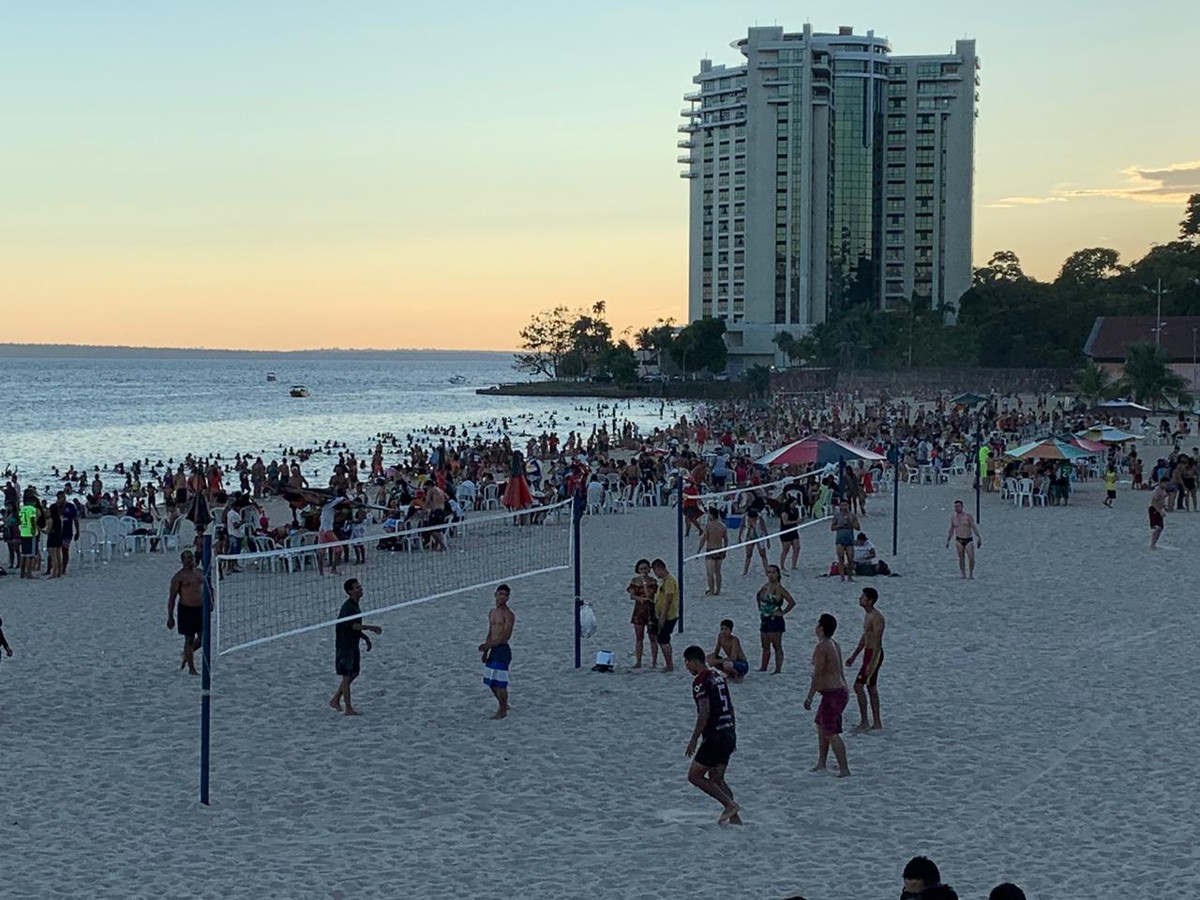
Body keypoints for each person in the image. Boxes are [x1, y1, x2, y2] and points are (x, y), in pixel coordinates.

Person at [682, 645, 741, 825]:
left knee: (695, 776)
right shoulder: (718, 677)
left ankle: (729, 805)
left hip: (715, 735)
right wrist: (732, 730)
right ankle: (735, 818)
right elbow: (730, 707)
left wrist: (693, 739)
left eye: (687, 663)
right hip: (728, 732)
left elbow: (704, 712)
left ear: (693, 661)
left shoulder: (701, 681)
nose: (686, 667)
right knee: (717, 778)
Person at [803, 613, 850, 777]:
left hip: (833, 694)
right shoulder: (833, 643)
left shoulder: (822, 647)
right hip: (838, 691)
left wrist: (809, 696)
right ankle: (822, 762)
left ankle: (844, 769)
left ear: (821, 628)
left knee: (831, 731)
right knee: (821, 725)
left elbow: (818, 674)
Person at [329, 578, 382, 716]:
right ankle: (348, 708)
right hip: (345, 646)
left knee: (354, 673)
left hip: (352, 643)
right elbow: (353, 626)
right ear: (350, 591)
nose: (360, 589)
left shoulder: (354, 605)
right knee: (346, 676)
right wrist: (371, 628)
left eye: (360, 586)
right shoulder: (349, 608)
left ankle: (335, 699)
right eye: (357, 587)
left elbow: (354, 627)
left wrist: (365, 638)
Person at [845, 587, 885, 732]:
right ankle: (876, 722)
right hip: (868, 653)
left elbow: (878, 641)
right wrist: (854, 655)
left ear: (870, 600)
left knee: (858, 686)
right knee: (871, 688)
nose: (860, 599)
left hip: (875, 654)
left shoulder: (877, 617)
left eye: (862, 597)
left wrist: (872, 662)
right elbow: (865, 637)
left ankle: (865, 721)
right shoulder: (867, 615)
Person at [480, 584, 516, 718]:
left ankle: (502, 711)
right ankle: (503, 704)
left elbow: (505, 637)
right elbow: (490, 632)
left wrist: (487, 646)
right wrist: (485, 652)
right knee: (490, 681)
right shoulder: (492, 612)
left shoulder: (509, 615)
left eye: (506, 595)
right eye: (501, 594)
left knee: (500, 683)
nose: (503, 597)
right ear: (495, 595)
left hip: (502, 650)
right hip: (492, 649)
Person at [166, 550, 204, 675]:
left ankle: (187, 654)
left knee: (204, 638)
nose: (190, 560)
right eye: (187, 558)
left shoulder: (200, 573)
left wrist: (212, 602)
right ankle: (191, 668)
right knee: (189, 639)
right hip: (186, 609)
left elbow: (209, 588)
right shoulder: (179, 577)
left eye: (191, 557)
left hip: (200, 609)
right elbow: (172, 598)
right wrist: (170, 616)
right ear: (182, 560)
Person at [755, 564, 796, 674]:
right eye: (769, 572)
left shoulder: (780, 589)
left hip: (775, 619)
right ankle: (764, 667)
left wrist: (782, 613)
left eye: (773, 572)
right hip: (765, 618)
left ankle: (778, 669)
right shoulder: (765, 587)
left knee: (777, 646)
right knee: (765, 645)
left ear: (777, 574)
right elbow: (758, 596)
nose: (771, 575)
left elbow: (791, 602)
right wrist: (760, 608)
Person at [626, 558, 658, 669]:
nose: (643, 570)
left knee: (653, 637)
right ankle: (638, 661)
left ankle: (654, 662)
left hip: (650, 610)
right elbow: (631, 595)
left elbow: (650, 594)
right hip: (639, 610)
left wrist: (645, 583)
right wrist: (640, 598)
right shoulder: (634, 581)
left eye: (645, 568)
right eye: (641, 569)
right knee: (639, 637)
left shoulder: (653, 581)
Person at [651, 558, 680, 672]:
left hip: (668, 615)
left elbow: (668, 600)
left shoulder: (669, 581)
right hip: (663, 614)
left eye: (655, 571)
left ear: (659, 568)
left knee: (663, 640)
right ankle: (669, 663)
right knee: (664, 640)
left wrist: (662, 617)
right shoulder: (664, 580)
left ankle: (669, 665)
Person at [945, 499, 982, 579]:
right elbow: (951, 529)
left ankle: (971, 573)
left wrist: (978, 537)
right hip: (959, 539)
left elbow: (973, 527)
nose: (957, 508)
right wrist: (948, 540)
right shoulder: (953, 518)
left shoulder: (968, 516)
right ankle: (963, 574)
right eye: (955, 507)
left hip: (968, 539)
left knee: (971, 558)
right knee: (961, 558)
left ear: (962, 507)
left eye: (958, 506)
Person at [697, 507, 728, 596]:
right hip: (720, 549)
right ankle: (718, 590)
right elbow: (726, 539)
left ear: (711, 515)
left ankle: (711, 590)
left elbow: (704, 539)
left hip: (711, 550)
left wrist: (699, 550)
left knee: (710, 573)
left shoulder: (709, 525)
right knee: (718, 572)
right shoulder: (722, 525)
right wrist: (725, 550)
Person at [830, 500, 859, 582]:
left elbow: (858, 527)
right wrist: (840, 525)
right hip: (840, 539)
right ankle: (842, 576)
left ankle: (850, 576)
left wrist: (850, 523)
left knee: (850, 558)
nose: (844, 507)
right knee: (841, 558)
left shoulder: (852, 516)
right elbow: (832, 528)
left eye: (845, 505)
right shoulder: (837, 516)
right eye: (842, 505)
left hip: (849, 539)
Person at [777, 501, 801, 571]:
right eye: (793, 503)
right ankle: (782, 566)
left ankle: (794, 565)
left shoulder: (795, 510)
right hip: (786, 532)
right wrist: (796, 521)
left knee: (797, 548)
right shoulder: (784, 512)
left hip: (794, 531)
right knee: (785, 550)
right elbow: (785, 522)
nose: (794, 505)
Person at [1149, 477, 1169, 550]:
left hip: (1159, 509)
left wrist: (1164, 506)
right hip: (1154, 510)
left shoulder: (1163, 490)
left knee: (1160, 528)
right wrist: (1159, 511)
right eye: (1166, 483)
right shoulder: (1158, 491)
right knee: (1157, 527)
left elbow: (1161, 500)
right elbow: (1154, 502)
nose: (1167, 485)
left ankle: (1154, 543)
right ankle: (1152, 544)